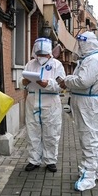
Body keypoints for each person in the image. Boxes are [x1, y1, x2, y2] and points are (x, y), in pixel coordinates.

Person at [58, 31, 98, 191]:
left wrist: (66, 80)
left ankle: (88, 176)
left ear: (86, 44)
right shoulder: (89, 59)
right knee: (94, 138)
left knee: (89, 139)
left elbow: (83, 81)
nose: (79, 47)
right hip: (86, 103)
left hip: (89, 104)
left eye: (81, 44)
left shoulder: (93, 60)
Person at [20, 38, 66, 172]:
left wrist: (47, 84)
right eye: (38, 54)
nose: (40, 57)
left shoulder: (57, 65)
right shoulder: (30, 64)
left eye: (43, 54)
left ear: (49, 53)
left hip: (50, 102)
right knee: (32, 132)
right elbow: (20, 82)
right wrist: (24, 82)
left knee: (51, 132)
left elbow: (61, 85)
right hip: (32, 100)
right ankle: (34, 160)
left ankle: (50, 160)